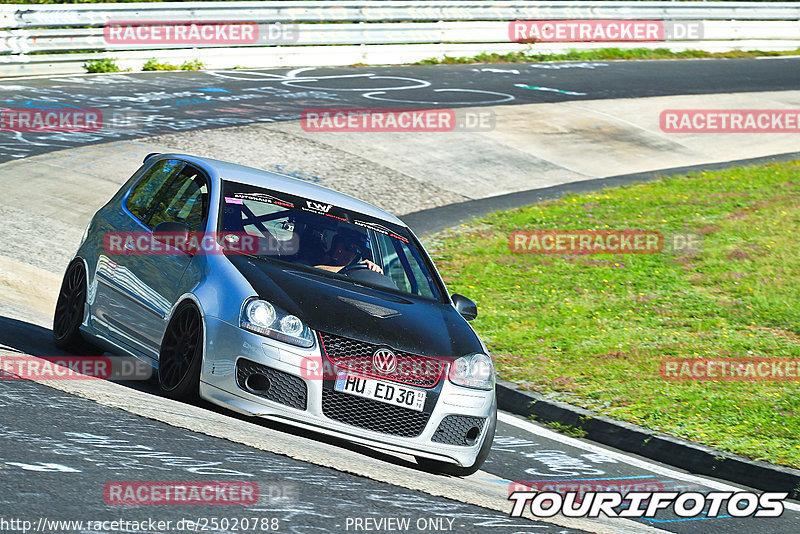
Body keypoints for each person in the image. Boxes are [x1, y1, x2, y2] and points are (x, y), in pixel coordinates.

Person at [315, 232, 383, 274]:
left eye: (357, 251)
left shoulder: (352, 274)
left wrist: (374, 270)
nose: (351, 254)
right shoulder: (314, 257)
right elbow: (313, 270)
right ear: (337, 246)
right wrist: (349, 269)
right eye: (349, 248)